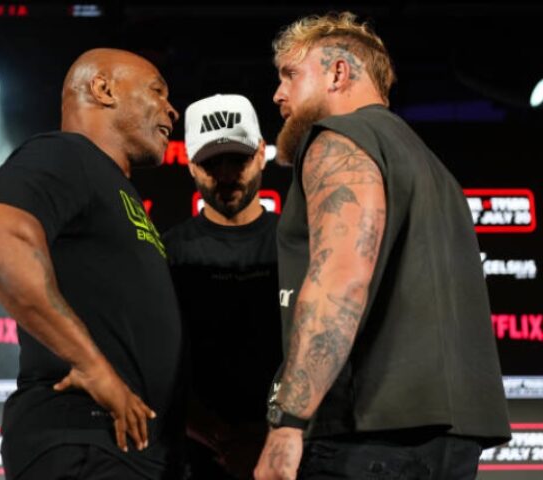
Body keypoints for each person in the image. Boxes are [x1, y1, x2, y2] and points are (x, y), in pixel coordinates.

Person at [253, 12, 511, 480]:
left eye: (290, 74)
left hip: (364, 438)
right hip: (450, 444)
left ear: (338, 73)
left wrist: (288, 421)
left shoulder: (338, 141)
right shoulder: (434, 169)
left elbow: (340, 277)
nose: (278, 94)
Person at [0, 48, 184, 480]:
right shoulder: (66, 154)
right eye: (156, 91)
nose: (172, 110)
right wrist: (92, 366)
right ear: (102, 89)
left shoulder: (116, 190)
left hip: (129, 448)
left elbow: (134, 342)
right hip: (82, 440)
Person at [163, 94, 282, 479]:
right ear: (191, 166)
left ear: (262, 154)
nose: (227, 174)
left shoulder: (299, 244)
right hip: (197, 451)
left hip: (288, 446)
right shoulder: (169, 251)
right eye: (211, 163)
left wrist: (278, 432)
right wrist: (218, 437)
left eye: (238, 159)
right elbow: (160, 360)